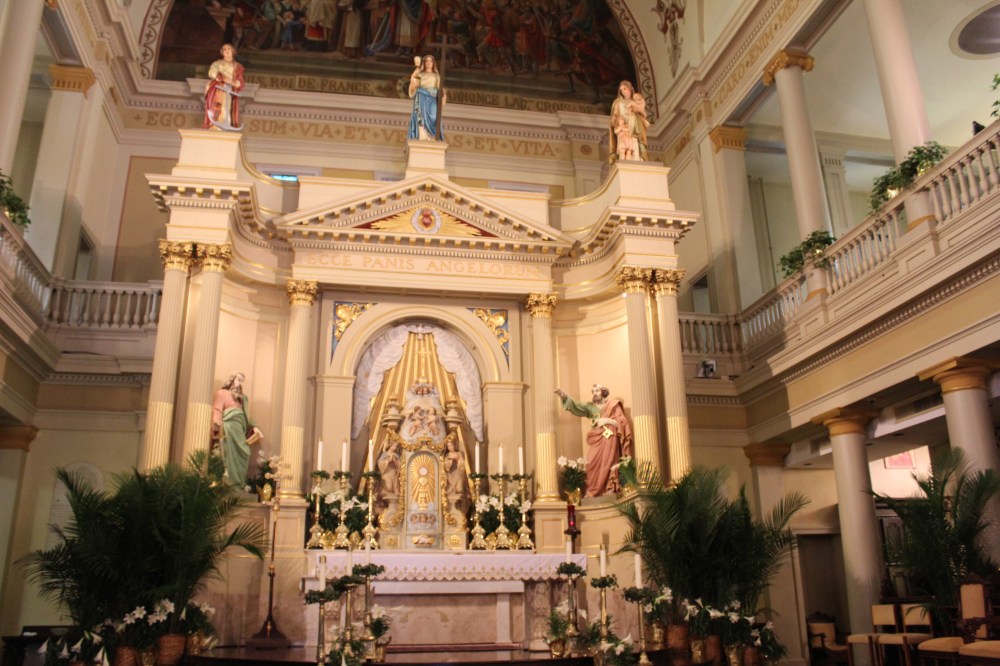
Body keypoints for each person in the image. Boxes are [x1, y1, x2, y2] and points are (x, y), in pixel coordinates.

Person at [554, 384, 633, 497]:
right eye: (593, 391)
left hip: (610, 438)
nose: (594, 393)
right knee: (590, 463)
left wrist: (607, 420)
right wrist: (564, 396)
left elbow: (622, 422)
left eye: (597, 390)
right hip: (596, 439)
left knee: (608, 462)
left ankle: (610, 487)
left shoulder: (613, 405)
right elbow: (576, 405)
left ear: (604, 392)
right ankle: (592, 490)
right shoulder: (590, 407)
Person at [212, 372, 262, 486]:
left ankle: (238, 484)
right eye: (238, 379)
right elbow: (217, 409)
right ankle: (227, 483)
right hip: (228, 429)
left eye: (241, 381)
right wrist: (216, 421)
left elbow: (246, 417)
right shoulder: (222, 393)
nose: (239, 383)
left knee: (245, 452)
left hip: (239, 431)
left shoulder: (243, 399)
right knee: (227, 455)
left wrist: (255, 428)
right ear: (232, 380)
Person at [203, 43, 245, 131]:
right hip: (217, 87)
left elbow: (239, 81)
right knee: (217, 105)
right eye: (224, 49)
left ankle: (224, 124)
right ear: (222, 52)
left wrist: (233, 82)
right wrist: (222, 77)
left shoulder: (238, 67)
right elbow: (212, 73)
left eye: (228, 49)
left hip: (229, 89)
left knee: (226, 107)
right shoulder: (217, 63)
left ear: (233, 51)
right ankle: (215, 125)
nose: (226, 51)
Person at [608, 81, 648, 163]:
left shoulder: (636, 100)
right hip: (624, 123)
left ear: (630, 88)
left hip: (636, 124)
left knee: (636, 141)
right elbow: (614, 115)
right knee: (625, 145)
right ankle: (626, 159)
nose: (623, 91)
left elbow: (644, 114)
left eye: (625, 89)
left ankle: (639, 157)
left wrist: (638, 111)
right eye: (621, 90)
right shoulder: (618, 102)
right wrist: (616, 120)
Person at [408, 54, 445, 141]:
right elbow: (413, 79)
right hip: (422, 97)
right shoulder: (421, 74)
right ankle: (423, 135)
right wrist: (417, 69)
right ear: (424, 63)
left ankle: (432, 135)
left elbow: (440, 87)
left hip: (432, 98)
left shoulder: (436, 76)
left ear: (433, 63)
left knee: (434, 116)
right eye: (427, 61)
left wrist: (444, 95)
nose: (428, 62)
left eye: (430, 61)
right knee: (422, 117)